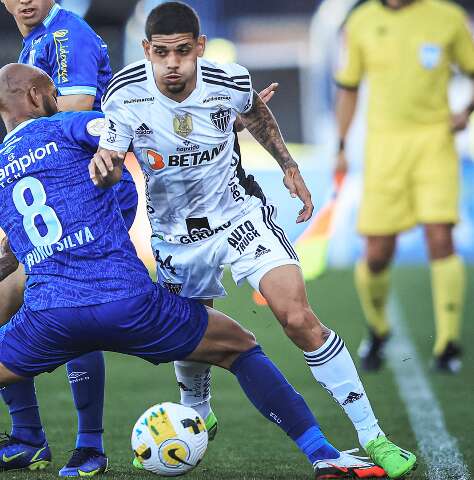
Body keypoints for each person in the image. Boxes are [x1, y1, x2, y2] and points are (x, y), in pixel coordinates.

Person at [0, 63, 390, 480]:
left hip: (48, 318)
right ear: (38, 97)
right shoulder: (69, 126)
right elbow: (128, 129)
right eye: (53, 96)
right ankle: (324, 454)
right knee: (240, 346)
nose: (59, 103)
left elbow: (11, 253)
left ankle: (34, 439)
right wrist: (217, 126)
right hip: (128, 303)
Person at [90, 3, 417, 478]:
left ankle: (373, 436)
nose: (173, 63)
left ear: (200, 48)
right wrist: (107, 166)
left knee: (297, 316)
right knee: (191, 335)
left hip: (239, 217)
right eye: (162, 53)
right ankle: (196, 411)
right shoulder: (124, 92)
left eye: (183, 51)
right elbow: (112, 153)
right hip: (176, 235)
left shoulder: (229, 81)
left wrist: (289, 167)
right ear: (146, 51)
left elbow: (258, 114)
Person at [0, 0, 138, 475]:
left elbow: (71, 117)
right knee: (15, 301)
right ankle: (27, 437)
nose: (25, 0)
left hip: (89, 191)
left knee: (72, 299)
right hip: (53, 199)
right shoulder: (36, 41)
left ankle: (88, 443)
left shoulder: (64, 37)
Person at [334, 0, 474, 372]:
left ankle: (448, 345)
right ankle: (379, 329)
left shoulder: (446, 17)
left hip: (435, 142)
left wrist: (467, 110)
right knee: (377, 252)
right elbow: (348, 87)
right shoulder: (361, 21)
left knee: (440, 238)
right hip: (383, 149)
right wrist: (342, 145)